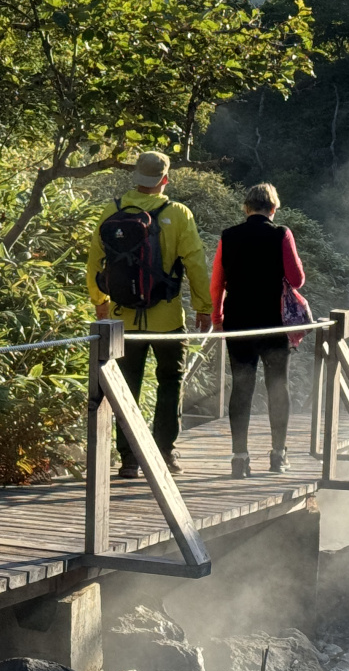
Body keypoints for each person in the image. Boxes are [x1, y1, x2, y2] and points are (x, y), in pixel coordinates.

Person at [87, 151, 211, 478]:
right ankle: (165, 454)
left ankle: (128, 459)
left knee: (126, 386)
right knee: (170, 381)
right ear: (165, 179)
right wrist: (204, 307)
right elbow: (196, 263)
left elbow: (94, 261)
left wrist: (100, 301)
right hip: (168, 318)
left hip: (123, 318)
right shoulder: (178, 214)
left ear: (136, 177)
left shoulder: (112, 211)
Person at [209, 182, 305, 478]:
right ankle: (278, 456)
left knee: (242, 386)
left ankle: (239, 459)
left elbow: (217, 282)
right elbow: (297, 279)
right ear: (273, 208)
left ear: (246, 208)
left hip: (239, 321)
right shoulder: (281, 234)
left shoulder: (228, 236)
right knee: (278, 385)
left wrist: (217, 316)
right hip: (273, 321)